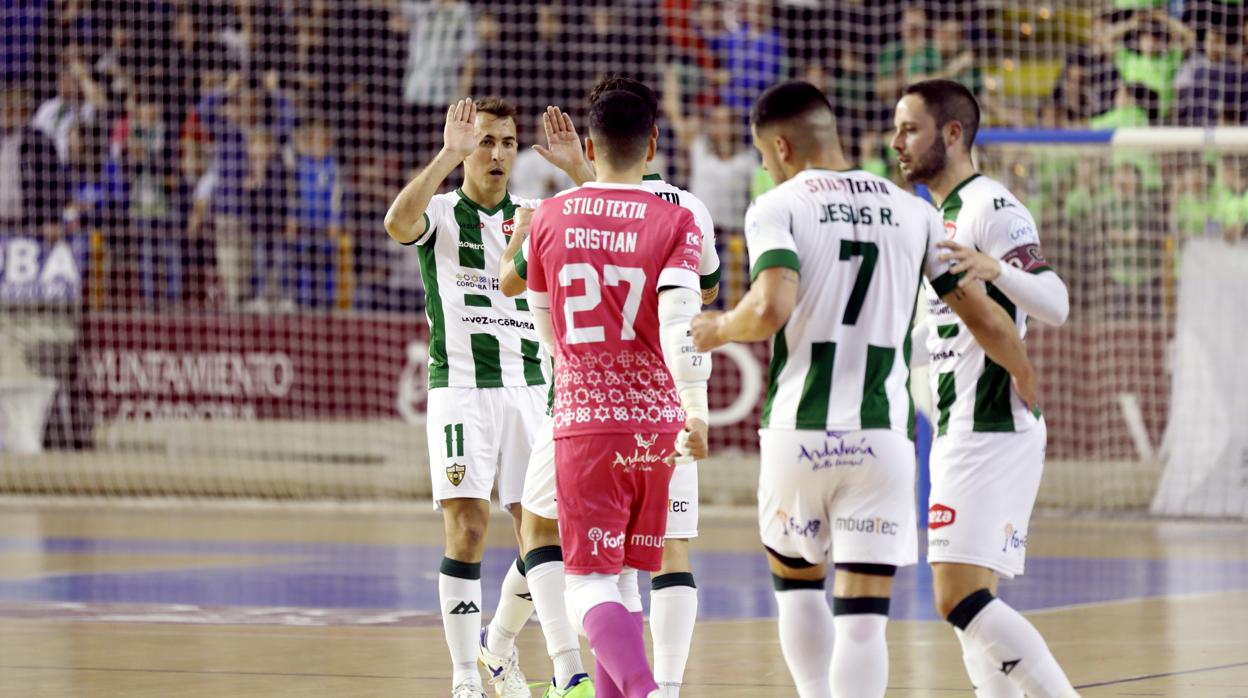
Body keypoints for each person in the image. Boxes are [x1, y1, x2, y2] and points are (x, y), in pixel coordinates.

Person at [689, 79, 1044, 698]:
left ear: (780, 147)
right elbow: (986, 318)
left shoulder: (779, 205)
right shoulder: (916, 211)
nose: (769, 168)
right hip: (882, 438)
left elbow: (770, 307)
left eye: (767, 157)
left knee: (797, 588)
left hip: (800, 433)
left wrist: (716, 328)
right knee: (863, 622)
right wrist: (1023, 372)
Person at [500, 77, 722, 698]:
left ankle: (647, 692)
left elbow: (541, 323)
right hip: (659, 426)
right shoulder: (678, 217)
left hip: (586, 419)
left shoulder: (548, 215)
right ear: (653, 142)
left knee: (586, 583)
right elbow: (685, 323)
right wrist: (697, 414)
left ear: (589, 148)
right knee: (626, 578)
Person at [891, 78, 1078, 698]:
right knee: (971, 604)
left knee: (956, 596)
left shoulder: (990, 208)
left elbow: (1056, 303)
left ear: (952, 134)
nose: (897, 142)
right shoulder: (934, 217)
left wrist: (1001, 270)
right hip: (957, 426)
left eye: (910, 128)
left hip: (993, 424)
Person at [383, 97, 543, 698]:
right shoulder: (443, 211)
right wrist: (446, 155)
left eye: (507, 142)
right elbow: (397, 225)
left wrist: (580, 169)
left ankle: (498, 646)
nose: (498, 153)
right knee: (468, 530)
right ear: (467, 149)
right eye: (486, 142)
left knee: (543, 536)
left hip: (531, 390)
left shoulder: (534, 216)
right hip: (462, 391)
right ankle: (464, 677)